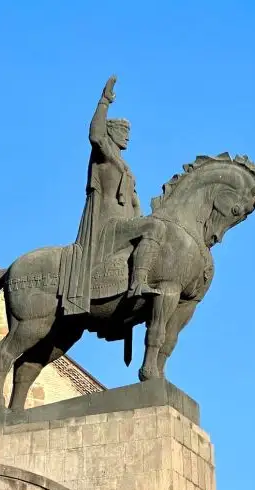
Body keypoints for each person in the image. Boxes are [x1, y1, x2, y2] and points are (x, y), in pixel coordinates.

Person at [60, 75, 166, 316]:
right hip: (108, 226)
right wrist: (104, 101)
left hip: (125, 223)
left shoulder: (124, 165)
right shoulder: (104, 153)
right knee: (153, 228)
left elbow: (134, 203)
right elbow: (95, 134)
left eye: (128, 131)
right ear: (111, 132)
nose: (127, 135)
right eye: (122, 130)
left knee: (156, 227)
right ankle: (138, 282)